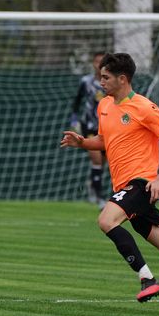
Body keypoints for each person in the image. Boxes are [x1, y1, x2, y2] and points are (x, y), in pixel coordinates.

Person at [61, 53, 159, 302]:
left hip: (141, 184)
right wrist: (82, 143)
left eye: (105, 77)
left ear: (122, 79)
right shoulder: (104, 106)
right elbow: (103, 140)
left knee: (106, 220)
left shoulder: (143, 107)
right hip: (125, 188)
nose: (100, 82)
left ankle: (147, 279)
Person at [70, 52, 107, 208]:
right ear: (93, 63)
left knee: (102, 163)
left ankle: (92, 184)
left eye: (102, 62)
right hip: (90, 126)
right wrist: (74, 121)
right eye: (97, 61)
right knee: (96, 159)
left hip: (107, 127)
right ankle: (99, 199)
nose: (99, 65)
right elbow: (77, 102)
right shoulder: (86, 82)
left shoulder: (112, 83)